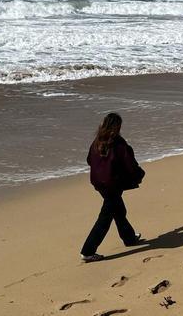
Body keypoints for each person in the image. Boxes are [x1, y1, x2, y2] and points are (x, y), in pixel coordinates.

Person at [80, 112, 146, 262]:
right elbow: (130, 165)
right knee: (105, 217)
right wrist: (139, 174)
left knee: (118, 210)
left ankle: (129, 238)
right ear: (117, 127)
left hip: (99, 183)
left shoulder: (96, 142)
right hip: (113, 184)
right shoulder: (118, 143)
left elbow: (89, 160)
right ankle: (87, 251)